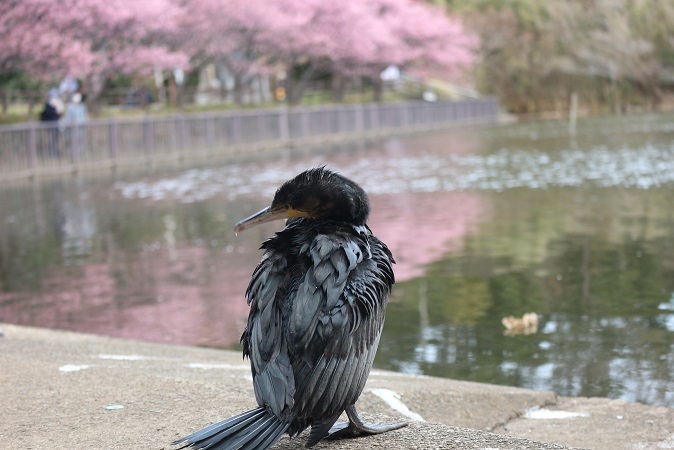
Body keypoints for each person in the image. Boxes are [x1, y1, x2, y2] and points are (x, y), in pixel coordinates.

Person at [62, 91, 88, 162]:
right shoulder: (70, 107)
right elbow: (67, 118)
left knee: (80, 142)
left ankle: (79, 156)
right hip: (71, 129)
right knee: (71, 142)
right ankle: (72, 157)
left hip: (80, 128)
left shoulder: (82, 106)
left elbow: (84, 117)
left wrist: (82, 123)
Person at [40, 89, 64, 158]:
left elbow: (61, 113)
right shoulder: (48, 104)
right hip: (51, 125)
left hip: (57, 125)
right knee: (52, 140)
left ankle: (55, 153)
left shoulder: (58, 102)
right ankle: (52, 153)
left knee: (55, 140)